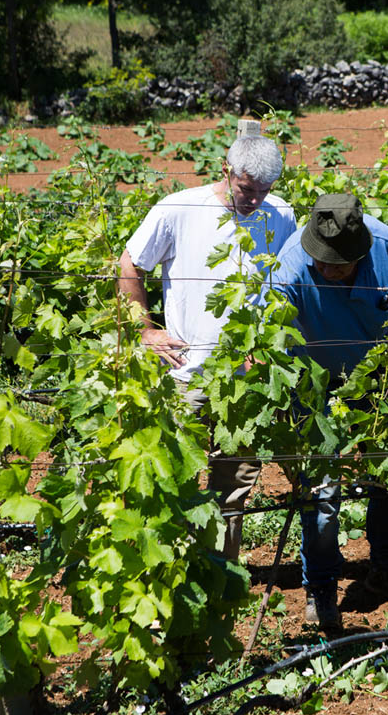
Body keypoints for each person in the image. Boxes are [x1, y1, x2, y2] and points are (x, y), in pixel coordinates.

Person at [118, 135, 297, 561]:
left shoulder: (282, 215)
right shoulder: (179, 208)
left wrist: (270, 345)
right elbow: (130, 263)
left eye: (264, 191)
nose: (255, 200)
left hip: (247, 379)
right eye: (246, 190)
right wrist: (145, 329)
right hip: (185, 374)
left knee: (232, 491)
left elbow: (286, 286)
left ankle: (218, 578)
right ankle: (168, 573)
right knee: (172, 480)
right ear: (225, 170)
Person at [271, 192, 388, 630]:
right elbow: (266, 343)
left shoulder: (387, 248)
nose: (325, 268)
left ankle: (387, 570)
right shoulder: (290, 268)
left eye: (335, 264)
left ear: (360, 253)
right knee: (320, 493)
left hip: (375, 375)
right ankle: (320, 587)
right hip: (312, 381)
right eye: (320, 260)